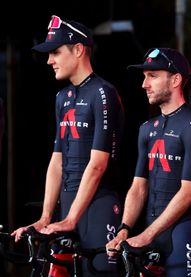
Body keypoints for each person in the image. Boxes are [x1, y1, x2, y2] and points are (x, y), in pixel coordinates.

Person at [11, 15, 124, 276]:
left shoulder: (103, 93)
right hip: (68, 205)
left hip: (98, 206)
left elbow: (97, 165)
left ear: (78, 50)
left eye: (55, 52)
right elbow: (56, 161)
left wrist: (71, 219)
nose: (50, 60)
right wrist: (44, 217)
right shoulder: (62, 97)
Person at [106, 48, 191, 276]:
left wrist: (146, 235)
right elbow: (138, 186)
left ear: (175, 80)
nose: (144, 84)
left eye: (152, 76)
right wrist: (125, 229)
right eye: (144, 77)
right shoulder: (146, 128)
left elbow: (188, 193)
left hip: (182, 232)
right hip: (150, 230)